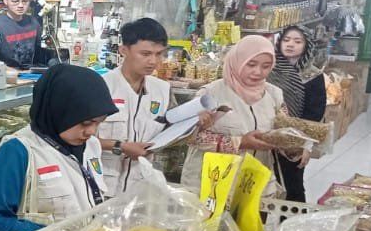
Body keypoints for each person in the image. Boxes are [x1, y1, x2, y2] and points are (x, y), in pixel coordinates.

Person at [0, 64, 117, 231]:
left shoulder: (90, 145)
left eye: (98, 122)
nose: (92, 131)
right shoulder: (19, 150)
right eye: (85, 123)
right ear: (59, 111)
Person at [181, 35, 288, 196]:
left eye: (266, 66)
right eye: (251, 64)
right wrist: (239, 142)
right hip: (211, 185)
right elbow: (189, 135)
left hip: (254, 184)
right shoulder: (210, 93)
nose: (258, 72)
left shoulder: (274, 94)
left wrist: (294, 145)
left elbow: (285, 129)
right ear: (238, 60)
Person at [98, 17, 172, 199]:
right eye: (145, 54)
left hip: (141, 188)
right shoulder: (101, 86)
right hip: (103, 186)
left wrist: (194, 126)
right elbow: (77, 139)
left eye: (159, 54)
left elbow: (170, 133)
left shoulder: (162, 90)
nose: (153, 61)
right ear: (124, 50)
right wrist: (120, 146)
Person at [268, 26, 327, 202]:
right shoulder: (268, 69)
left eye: (297, 41)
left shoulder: (313, 75)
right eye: (286, 40)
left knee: (292, 185)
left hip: (294, 142)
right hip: (265, 135)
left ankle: (292, 224)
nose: (290, 45)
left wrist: (306, 146)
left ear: (306, 45)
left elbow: (314, 114)